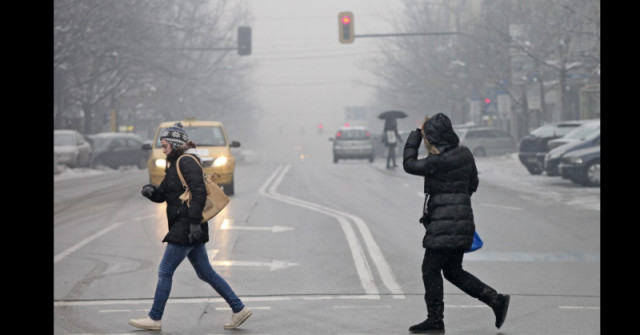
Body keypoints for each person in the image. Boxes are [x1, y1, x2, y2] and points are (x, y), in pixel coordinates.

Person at [129, 122, 251, 331]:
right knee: (206, 273)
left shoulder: (187, 161)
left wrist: (194, 223)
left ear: (175, 144)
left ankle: (154, 318)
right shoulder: (175, 163)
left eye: (165, 144)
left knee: (165, 270)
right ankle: (238, 309)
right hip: (186, 223)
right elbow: (166, 194)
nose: (163, 147)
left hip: (187, 224)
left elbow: (198, 192)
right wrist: (152, 192)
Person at [402, 113, 510, 334]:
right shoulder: (465, 154)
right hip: (462, 222)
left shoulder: (437, 161)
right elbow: (473, 183)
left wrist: (415, 135)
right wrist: (457, 199)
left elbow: (409, 164)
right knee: (452, 270)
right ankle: (495, 300)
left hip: (444, 226)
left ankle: (435, 319)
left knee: (430, 269)